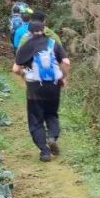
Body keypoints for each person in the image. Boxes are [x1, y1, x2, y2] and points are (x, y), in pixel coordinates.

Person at [12, 18, 71, 162]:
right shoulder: (53, 44)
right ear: (44, 30)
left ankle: (45, 152)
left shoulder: (26, 46)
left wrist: (24, 74)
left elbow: (15, 69)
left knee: (36, 120)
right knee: (51, 114)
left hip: (34, 88)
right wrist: (63, 77)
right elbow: (66, 62)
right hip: (53, 86)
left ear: (29, 32)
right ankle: (52, 137)